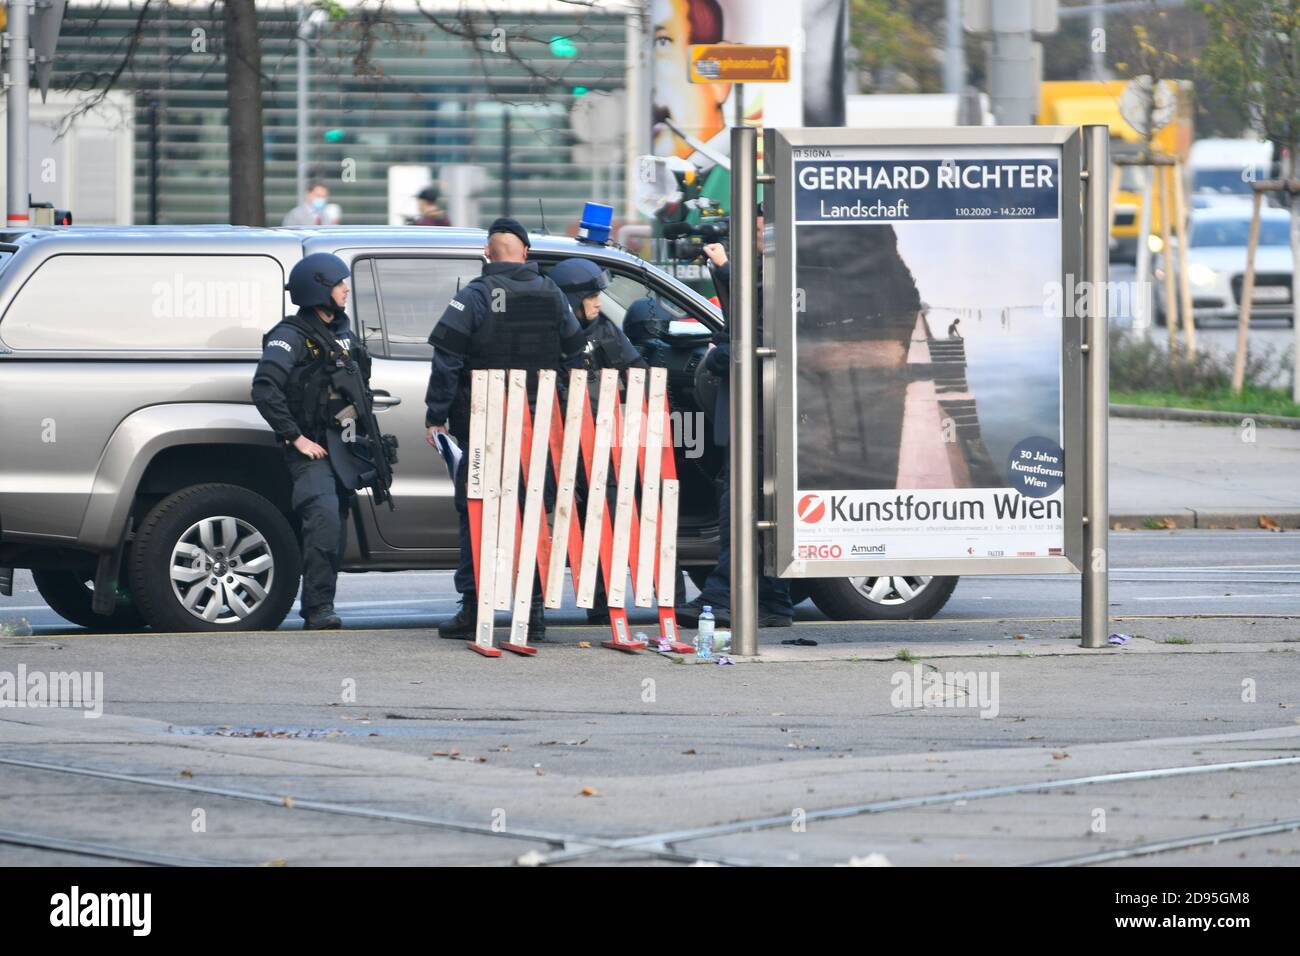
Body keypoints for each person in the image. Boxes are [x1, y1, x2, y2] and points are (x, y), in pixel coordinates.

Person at [425, 218, 587, 641]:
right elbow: (576, 354)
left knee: (478, 514)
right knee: (533, 513)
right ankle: (532, 612)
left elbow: (447, 357)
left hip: (484, 426)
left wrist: (436, 415)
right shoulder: (553, 295)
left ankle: (474, 608)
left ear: (487, 253)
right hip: (539, 429)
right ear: (527, 255)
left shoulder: (475, 295)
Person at [676, 213, 793, 629]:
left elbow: (756, 339)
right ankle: (774, 603)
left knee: (740, 508)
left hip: (762, 417)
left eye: (762, 230)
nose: (754, 237)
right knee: (754, 506)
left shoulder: (780, 275)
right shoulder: (760, 272)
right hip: (752, 415)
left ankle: (721, 599)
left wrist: (719, 356)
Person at [251, 253, 372, 630]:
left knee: (335, 526)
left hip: (343, 447)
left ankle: (323, 603)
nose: (346, 289)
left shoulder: (344, 333)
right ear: (319, 289)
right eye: (339, 284)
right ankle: (317, 609)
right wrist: (296, 437)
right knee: (322, 521)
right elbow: (265, 388)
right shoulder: (290, 336)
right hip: (312, 449)